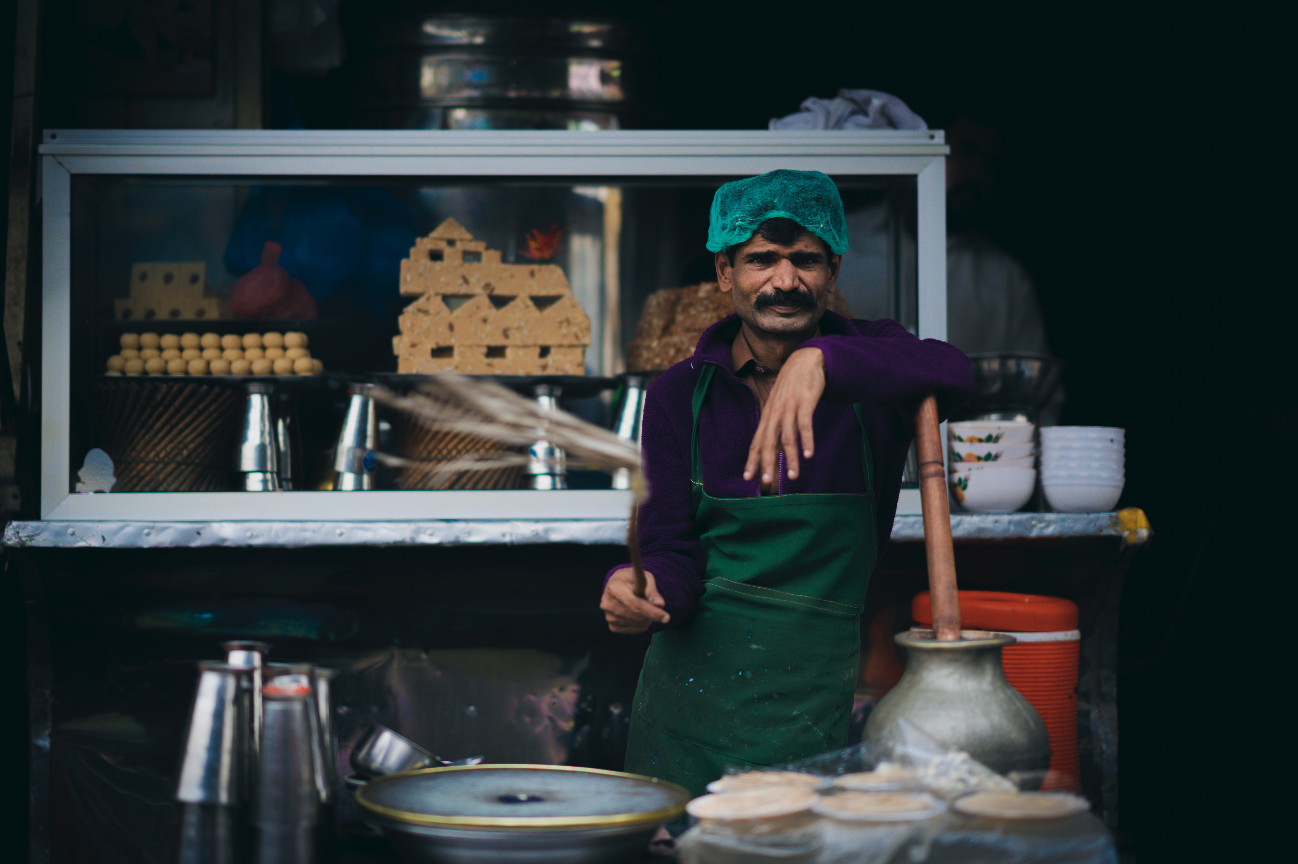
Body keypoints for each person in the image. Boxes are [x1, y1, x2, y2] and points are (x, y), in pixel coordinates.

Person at [599, 170, 973, 797]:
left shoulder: (876, 369)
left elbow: (954, 371)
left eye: (805, 260)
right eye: (760, 260)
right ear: (725, 273)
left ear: (833, 271)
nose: (784, 281)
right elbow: (673, 551)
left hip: (807, 707)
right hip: (687, 712)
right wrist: (642, 590)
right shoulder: (675, 395)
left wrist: (822, 361)